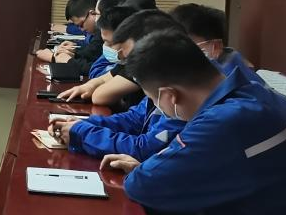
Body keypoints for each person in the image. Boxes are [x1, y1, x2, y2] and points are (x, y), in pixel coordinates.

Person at [100, 30, 286, 215]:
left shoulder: (224, 121)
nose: (159, 109)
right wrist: (162, 166)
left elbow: (142, 185)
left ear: (169, 95)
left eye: (154, 101)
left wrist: (154, 168)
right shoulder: (253, 90)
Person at [47, 9, 186, 161]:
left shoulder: (180, 95)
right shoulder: (158, 80)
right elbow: (134, 119)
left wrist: (83, 133)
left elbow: (145, 149)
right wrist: (83, 124)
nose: (122, 57)